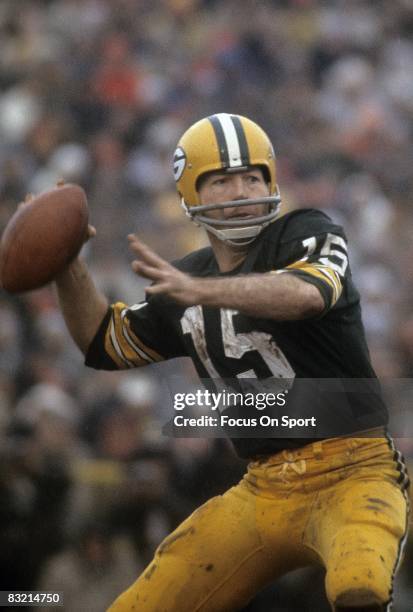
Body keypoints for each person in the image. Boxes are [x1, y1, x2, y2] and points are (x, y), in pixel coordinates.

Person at [55, 113, 410, 612]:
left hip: (355, 469)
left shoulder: (305, 231)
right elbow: (106, 343)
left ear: (272, 181)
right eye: (222, 180)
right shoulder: (186, 277)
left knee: (360, 589)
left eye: (253, 177)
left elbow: (307, 295)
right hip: (262, 488)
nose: (242, 190)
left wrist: (203, 291)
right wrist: (65, 265)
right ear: (190, 195)